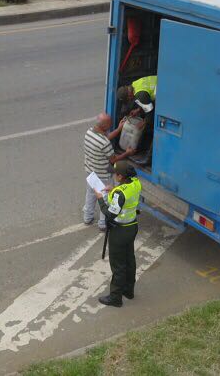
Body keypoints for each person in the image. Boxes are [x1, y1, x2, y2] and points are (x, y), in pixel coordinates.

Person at [95, 161, 141, 307]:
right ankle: (128, 290)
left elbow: (109, 215)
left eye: (116, 174)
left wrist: (100, 199)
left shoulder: (119, 194)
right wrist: (113, 189)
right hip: (132, 227)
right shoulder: (135, 183)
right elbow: (125, 193)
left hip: (119, 232)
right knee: (129, 259)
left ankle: (115, 298)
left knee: (118, 265)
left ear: (120, 176)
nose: (114, 175)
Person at [84, 113, 136, 232]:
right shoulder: (104, 143)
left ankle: (87, 217)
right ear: (105, 126)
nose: (111, 124)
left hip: (90, 172)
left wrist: (118, 129)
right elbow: (113, 160)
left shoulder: (89, 133)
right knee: (106, 198)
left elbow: (104, 139)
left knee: (91, 194)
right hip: (102, 175)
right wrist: (127, 153)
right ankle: (103, 224)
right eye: (110, 123)